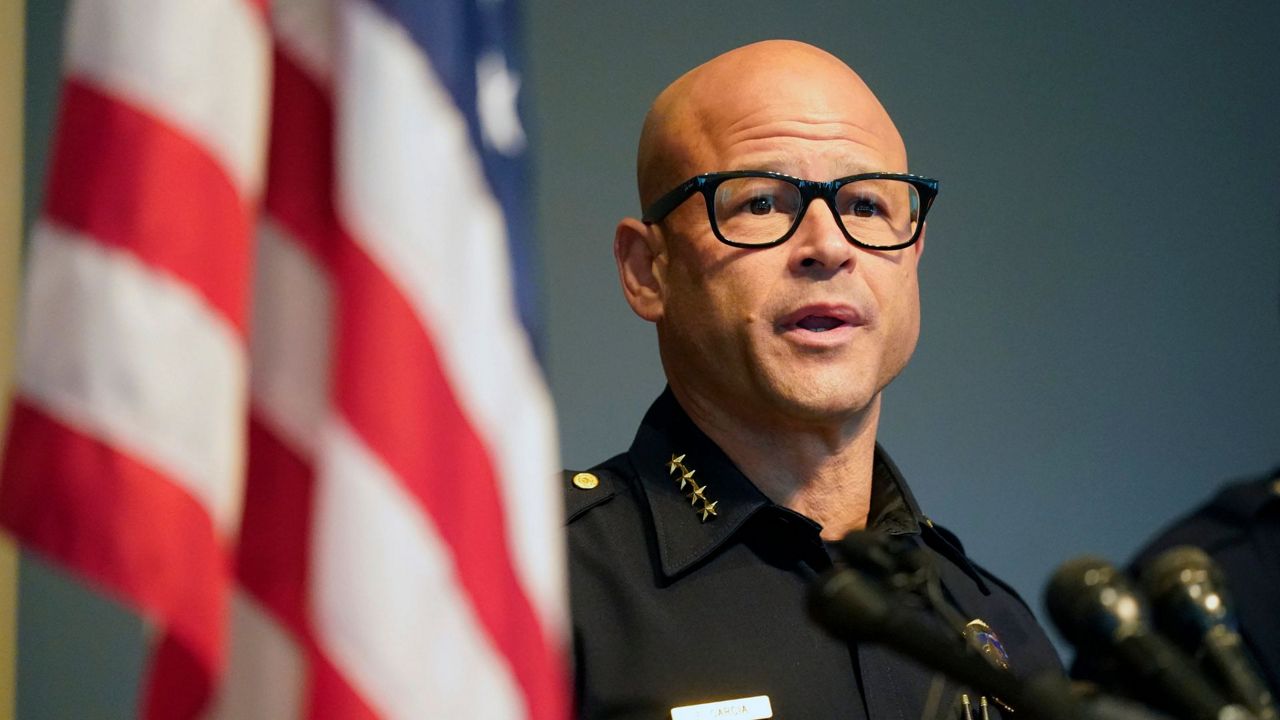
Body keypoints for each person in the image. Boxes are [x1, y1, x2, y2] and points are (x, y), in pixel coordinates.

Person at [564, 40, 1062, 719]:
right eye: (762, 202)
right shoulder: (536, 590)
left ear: (913, 255)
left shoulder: (995, 628)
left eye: (866, 206)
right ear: (648, 270)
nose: (829, 247)